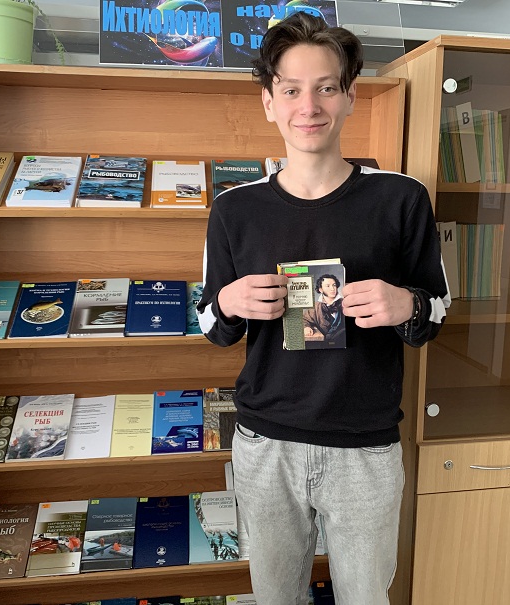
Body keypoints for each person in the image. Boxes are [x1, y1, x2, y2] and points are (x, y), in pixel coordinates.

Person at [196, 11, 450, 605]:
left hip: (366, 448)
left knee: (365, 597)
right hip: (266, 445)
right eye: (290, 90)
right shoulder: (234, 209)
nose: (308, 106)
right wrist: (229, 301)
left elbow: (437, 312)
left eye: (326, 87)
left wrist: (405, 304)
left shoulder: (401, 198)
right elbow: (211, 325)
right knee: (275, 597)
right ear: (269, 102)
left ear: (350, 96)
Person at [303, 273, 344, 341]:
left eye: (334, 285)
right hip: (324, 343)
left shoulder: (345, 302)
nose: (332, 288)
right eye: (328, 286)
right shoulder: (315, 307)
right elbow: (304, 319)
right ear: (320, 290)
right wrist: (306, 327)